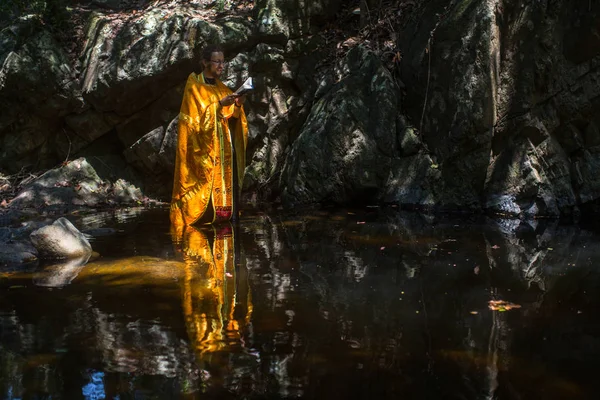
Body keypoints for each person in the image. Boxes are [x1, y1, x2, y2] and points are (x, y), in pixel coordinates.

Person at [170, 44, 248, 227]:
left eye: (223, 62)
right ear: (205, 62)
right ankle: (197, 217)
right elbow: (193, 124)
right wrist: (218, 105)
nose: (221, 66)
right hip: (203, 151)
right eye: (217, 62)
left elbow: (232, 120)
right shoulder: (194, 85)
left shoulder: (223, 88)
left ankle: (223, 216)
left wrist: (237, 105)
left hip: (222, 153)